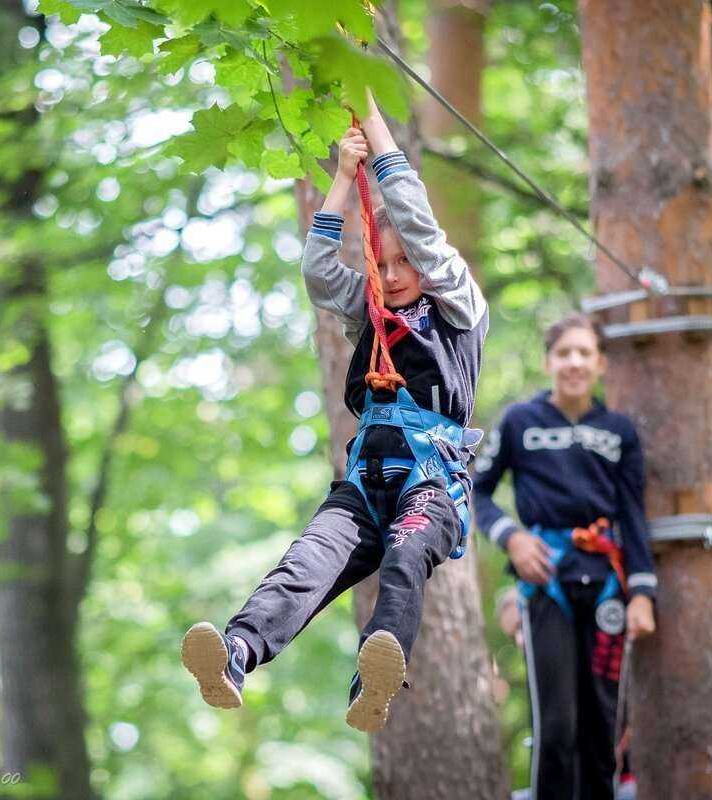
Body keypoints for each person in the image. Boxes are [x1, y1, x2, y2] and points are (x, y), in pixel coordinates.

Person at [181, 93, 488, 733]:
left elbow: (414, 220)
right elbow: (321, 271)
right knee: (306, 565)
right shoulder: (371, 315)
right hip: (365, 486)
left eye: (408, 263)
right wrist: (343, 181)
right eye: (384, 263)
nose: (397, 273)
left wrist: (369, 112)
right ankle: (236, 655)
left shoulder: (457, 310)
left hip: (431, 485)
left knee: (405, 563)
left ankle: (373, 678)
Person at [473, 312, 656, 800]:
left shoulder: (619, 433)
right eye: (563, 352)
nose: (573, 362)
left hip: (607, 588)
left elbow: (634, 517)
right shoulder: (519, 422)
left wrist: (642, 593)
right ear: (548, 361)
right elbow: (476, 492)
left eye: (584, 353)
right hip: (545, 583)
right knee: (555, 726)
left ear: (600, 364)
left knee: (602, 730)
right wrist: (512, 537)